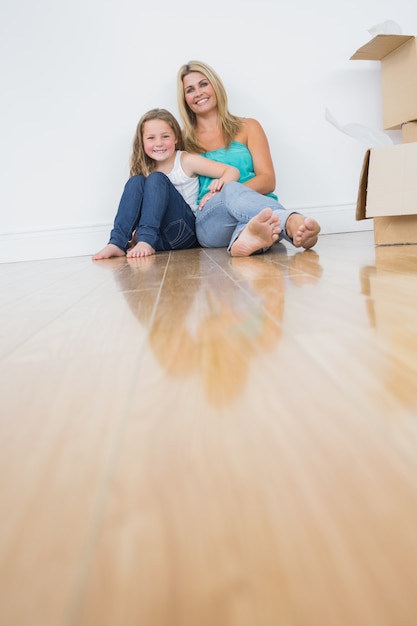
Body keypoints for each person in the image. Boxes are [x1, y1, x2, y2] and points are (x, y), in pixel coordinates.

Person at [176, 60, 321, 256]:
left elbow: (268, 180)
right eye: (190, 90)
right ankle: (290, 222)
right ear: (185, 99)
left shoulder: (249, 126)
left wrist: (233, 191)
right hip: (212, 221)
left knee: (258, 222)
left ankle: (244, 240)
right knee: (234, 192)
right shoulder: (182, 141)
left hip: (259, 211)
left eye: (203, 84)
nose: (198, 92)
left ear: (215, 86)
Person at [93, 108, 240, 260]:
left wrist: (216, 191)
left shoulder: (186, 160)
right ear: (142, 141)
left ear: (176, 137)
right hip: (157, 238)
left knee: (157, 178)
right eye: (151, 138)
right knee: (135, 181)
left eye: (165, 136)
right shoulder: (144, 169)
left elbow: (231, 171)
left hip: (184, 234)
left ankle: (145, 241)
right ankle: (117, 242)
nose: (159, 143)